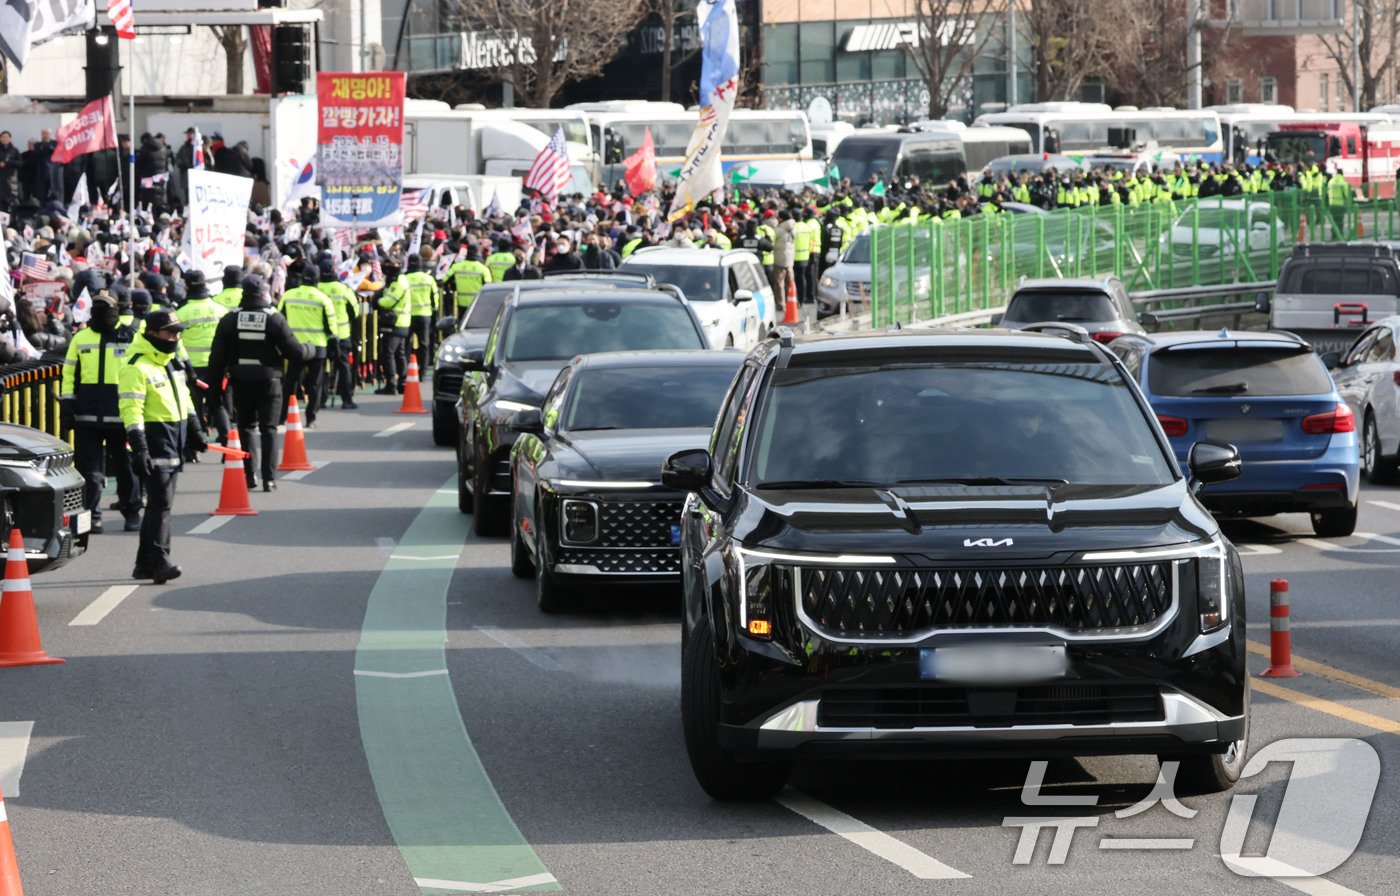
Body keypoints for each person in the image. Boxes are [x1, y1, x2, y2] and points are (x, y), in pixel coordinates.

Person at [119, 309, 208, 583]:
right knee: (162, 504)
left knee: (159, 504)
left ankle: (143, 564)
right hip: (155, 439)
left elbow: (185, 398)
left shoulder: (170, 361)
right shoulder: (135, 366)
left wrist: (194, 428)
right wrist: (139, 447)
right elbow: (131, 410)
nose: (176, 337)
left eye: (178, 331)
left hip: (175, 436)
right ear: (153, 334)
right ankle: (160, 562)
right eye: (170, 332)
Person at [207, 274, 311, 492]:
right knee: (269, 429)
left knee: (245, 428)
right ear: (264, 293)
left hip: (240, 381)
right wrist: (310, 349)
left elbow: (216, 359)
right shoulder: (273, 318)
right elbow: (295, 352)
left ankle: (249, 475)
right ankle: (269, 478)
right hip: (269, 382)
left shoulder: (230, 319)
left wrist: (214, 391)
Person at [59, 294, 141, 535]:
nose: (101, 312)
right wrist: (67, 405)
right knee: (89, 471)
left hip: (121, 417)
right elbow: (69, 374)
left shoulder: (129, 336)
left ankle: (132, 511)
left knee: (126, 468)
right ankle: (92, 516)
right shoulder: (80, 338)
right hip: (88, 417)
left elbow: (138, 374)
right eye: (97, 308)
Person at [276, 261, 336, 425]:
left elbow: (279, 320)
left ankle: (282, 417)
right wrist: (333, 343)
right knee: (314, 383)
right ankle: (311, 418)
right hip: (318, 347)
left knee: (290, 382)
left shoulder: (289, 295)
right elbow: (331, 327)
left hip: (294, 345)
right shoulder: (323, 299)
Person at [175, 270, 230, 441]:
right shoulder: (221, 310)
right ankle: (227, 438)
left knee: (194, 407)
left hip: (191, 368)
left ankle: (197, 445)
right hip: (217, 365)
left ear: (186, 285)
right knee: (218, 404)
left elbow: (176, 343)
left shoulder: (181, 313)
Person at [317, 258, 360, 410]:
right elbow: (355, 311)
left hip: (321, 336)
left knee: (320, 367)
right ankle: (347, 399)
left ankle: (319, 400)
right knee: (344, 367)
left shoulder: (316, 288)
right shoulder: (343, 289)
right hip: (342, 334)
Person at [375, 262, 411, 394]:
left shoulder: (398, 283)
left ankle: (392, 384)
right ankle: (402, 383)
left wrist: (378, 300)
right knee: (399, 353)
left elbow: (389, 301)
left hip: (395, 322)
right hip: (401, 322)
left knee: (388, 353)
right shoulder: (400, 280)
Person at [402, 255, 440, 376]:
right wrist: (435, 312)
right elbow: (435, 298)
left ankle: (407, 370)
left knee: (406, 344)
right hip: (425, 315)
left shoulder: (404, 279)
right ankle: (422, 371)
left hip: (408, 316)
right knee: (424, 344)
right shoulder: (428, 279)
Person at [445, 243, 490, 315]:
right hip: (478, 304)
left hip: (461, 305)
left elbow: (443, 280)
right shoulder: (484, 269)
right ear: (478, 252)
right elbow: (488, 287)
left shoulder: (456, 267)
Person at [0, 132, 20, 216]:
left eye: (6, 137)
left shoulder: (14, 150)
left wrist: (7, 163)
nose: (4, 139)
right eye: (3, 137)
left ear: (10, 138)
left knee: (12, 204)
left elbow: (20, 162)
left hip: (11, 182)